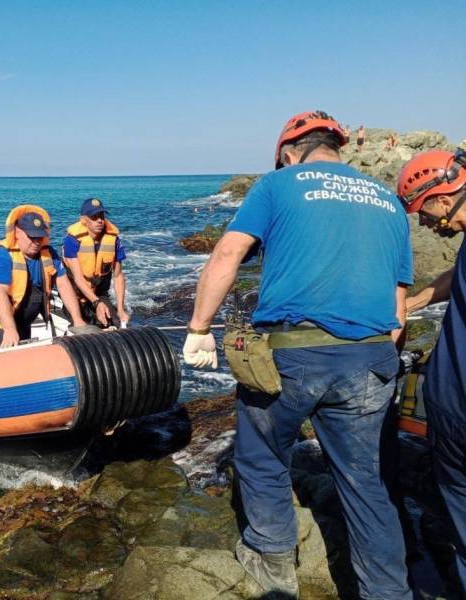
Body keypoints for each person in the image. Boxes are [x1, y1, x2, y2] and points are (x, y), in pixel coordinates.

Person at [182, 111, 413, 598]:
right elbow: (398, 306)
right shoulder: (388, 201)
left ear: (289, 154)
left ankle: (273, 560)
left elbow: (227, 255)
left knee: (262, 453)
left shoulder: (278, 184)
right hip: (372, 356)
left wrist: (199, 327)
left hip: (293, 354)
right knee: (368, 484)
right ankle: (387, 591)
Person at [399, 149, 466, 593]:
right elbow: (457, 274)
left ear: (444, 199)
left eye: (423, 213)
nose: (424, 224)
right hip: (449, 417)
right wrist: (415, 301)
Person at [0, 205, 90, 348]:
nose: (37, 242)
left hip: (24, 318)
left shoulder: (48, 254)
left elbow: (63, 285)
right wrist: (9, 329)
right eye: (32, 236)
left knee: (26, 345)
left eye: (40, 237)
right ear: (17, 232)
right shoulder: (1, 255)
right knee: (12, 349)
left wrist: (77, 319)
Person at [62, 198, 130, 328]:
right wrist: (97, 303)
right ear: (83, 219)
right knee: (83, 329)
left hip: (99, 293)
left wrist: (121, 310)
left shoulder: (114, 240)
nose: (99, 220)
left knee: (114, 324)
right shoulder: (71, 241)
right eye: (94, 217)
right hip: (75, 295)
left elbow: (118, 276)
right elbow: (78, 279)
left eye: (101, 216)